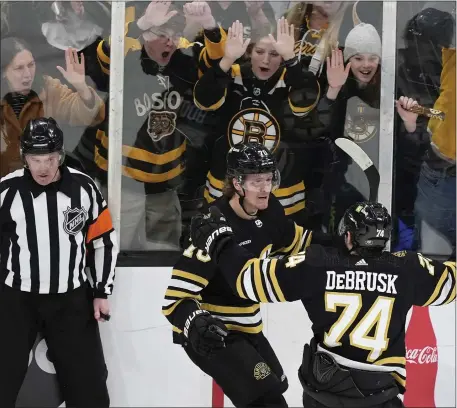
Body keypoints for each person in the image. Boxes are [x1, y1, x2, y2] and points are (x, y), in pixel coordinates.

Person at [190, 201, 456, 407]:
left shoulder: (317, 263)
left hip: (325, 393)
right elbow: (451, 285)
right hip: (379, 395)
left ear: (348, 237)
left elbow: (249, 280)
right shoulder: (407, 269)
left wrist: (220, 242)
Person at [162, 142, 341, 408]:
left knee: (278, 386)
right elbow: (174, 300)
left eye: (269, 179)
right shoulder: (212, 224)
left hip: (249, 327)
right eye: (257, 181)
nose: (265, 188)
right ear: (236, 183)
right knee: (269, 402)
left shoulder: (271, 212)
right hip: (214, 333)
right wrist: (195, 321)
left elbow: (301, 242)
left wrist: (345, 244)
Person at [79, 0, 225, 251]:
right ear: (145, 36)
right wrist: (142, 23)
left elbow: (217, 61)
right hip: (122, 181)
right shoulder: (128, 57)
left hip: (165, 184)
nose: (170, 41)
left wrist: (210, 25)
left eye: (175, 35)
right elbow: (105, 53)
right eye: (161, 34)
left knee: (163, 252)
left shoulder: (184, 59)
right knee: (112, 249)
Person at [0, 117, 118, 407]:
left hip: (71, 300)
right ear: (25, 158)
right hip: (17, 300)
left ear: (60, 156)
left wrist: (101, 291)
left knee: (89, 385)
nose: (43, 167)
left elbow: (102, 241)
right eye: (36, 158)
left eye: (50, 158)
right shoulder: (6, 192)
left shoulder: (85, 188)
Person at [193, 18, 321, 224]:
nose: (266, 60)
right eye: (259, 52)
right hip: (228, 182)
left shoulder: (291, 78)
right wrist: (227, 59)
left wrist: (291, 58)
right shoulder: (232, 74)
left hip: (281, 189)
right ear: (248, 52)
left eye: (274, 53)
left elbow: (306, 102)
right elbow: (203, 100)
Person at [0, 37, 105, 177]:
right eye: (19, 68)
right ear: (3, 73)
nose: (27, 74)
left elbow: (91, 116)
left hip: (43, 181)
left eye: (31, 65)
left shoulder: (48, 88)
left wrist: (82, 87)